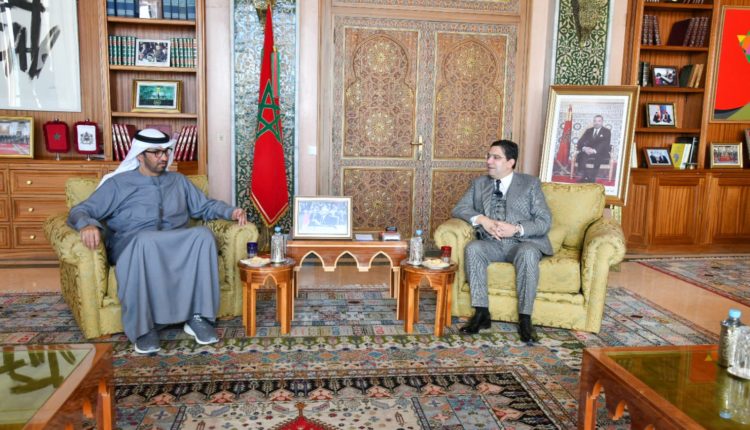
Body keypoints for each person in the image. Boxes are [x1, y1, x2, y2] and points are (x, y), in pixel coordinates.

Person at [67, 129, 247, 354]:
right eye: (156, 153)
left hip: (174, 242)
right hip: (134, 244)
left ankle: (199, 317)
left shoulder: (178, 181)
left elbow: (205, 206)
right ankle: (144, 328)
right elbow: (81, 209)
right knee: (146, 240)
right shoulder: (118, 184)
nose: (164, 157)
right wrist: (86, 224)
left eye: (166, 152)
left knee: (203, 236)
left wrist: (231, 212)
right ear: (140, 155)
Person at [451, 140, 553, 343]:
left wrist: (516, 229)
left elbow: (544, 221)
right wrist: (482, 219)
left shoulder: (530, 184)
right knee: (473, 248)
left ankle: (525, 319)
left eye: (496, 157)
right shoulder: (480, 183)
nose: (489, 161)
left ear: (510, 162)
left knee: (527, 253)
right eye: (488, 156)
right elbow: (459, 208)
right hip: (493, 244)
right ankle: (482, 314)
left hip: (522, 243)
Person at [575, 114, 611, 183]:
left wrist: (594, 150)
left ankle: (592, 178)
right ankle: (585, 176)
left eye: (599, 121)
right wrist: (585, 148)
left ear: (602, 122)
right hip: (587, 151)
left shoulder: (606, 131)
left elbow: (605, 143)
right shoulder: (588, 130)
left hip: (600, 152)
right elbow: (580, 141)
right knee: (581, 155)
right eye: (595, 121)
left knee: (598, 157)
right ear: (593, 122)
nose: (596, 123)